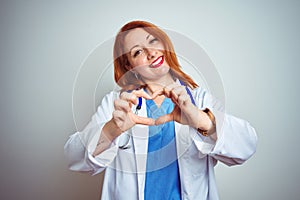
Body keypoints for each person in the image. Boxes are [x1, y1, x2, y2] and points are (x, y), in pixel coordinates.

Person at [64, 20, 257, 200]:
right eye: (137, 52)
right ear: (128, 65)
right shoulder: (117, 104)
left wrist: (199, 120)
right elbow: (73, 158)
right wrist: (113, 128)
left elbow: (245, 146)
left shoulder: (198, 100)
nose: (151, 52)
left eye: (153, 41)